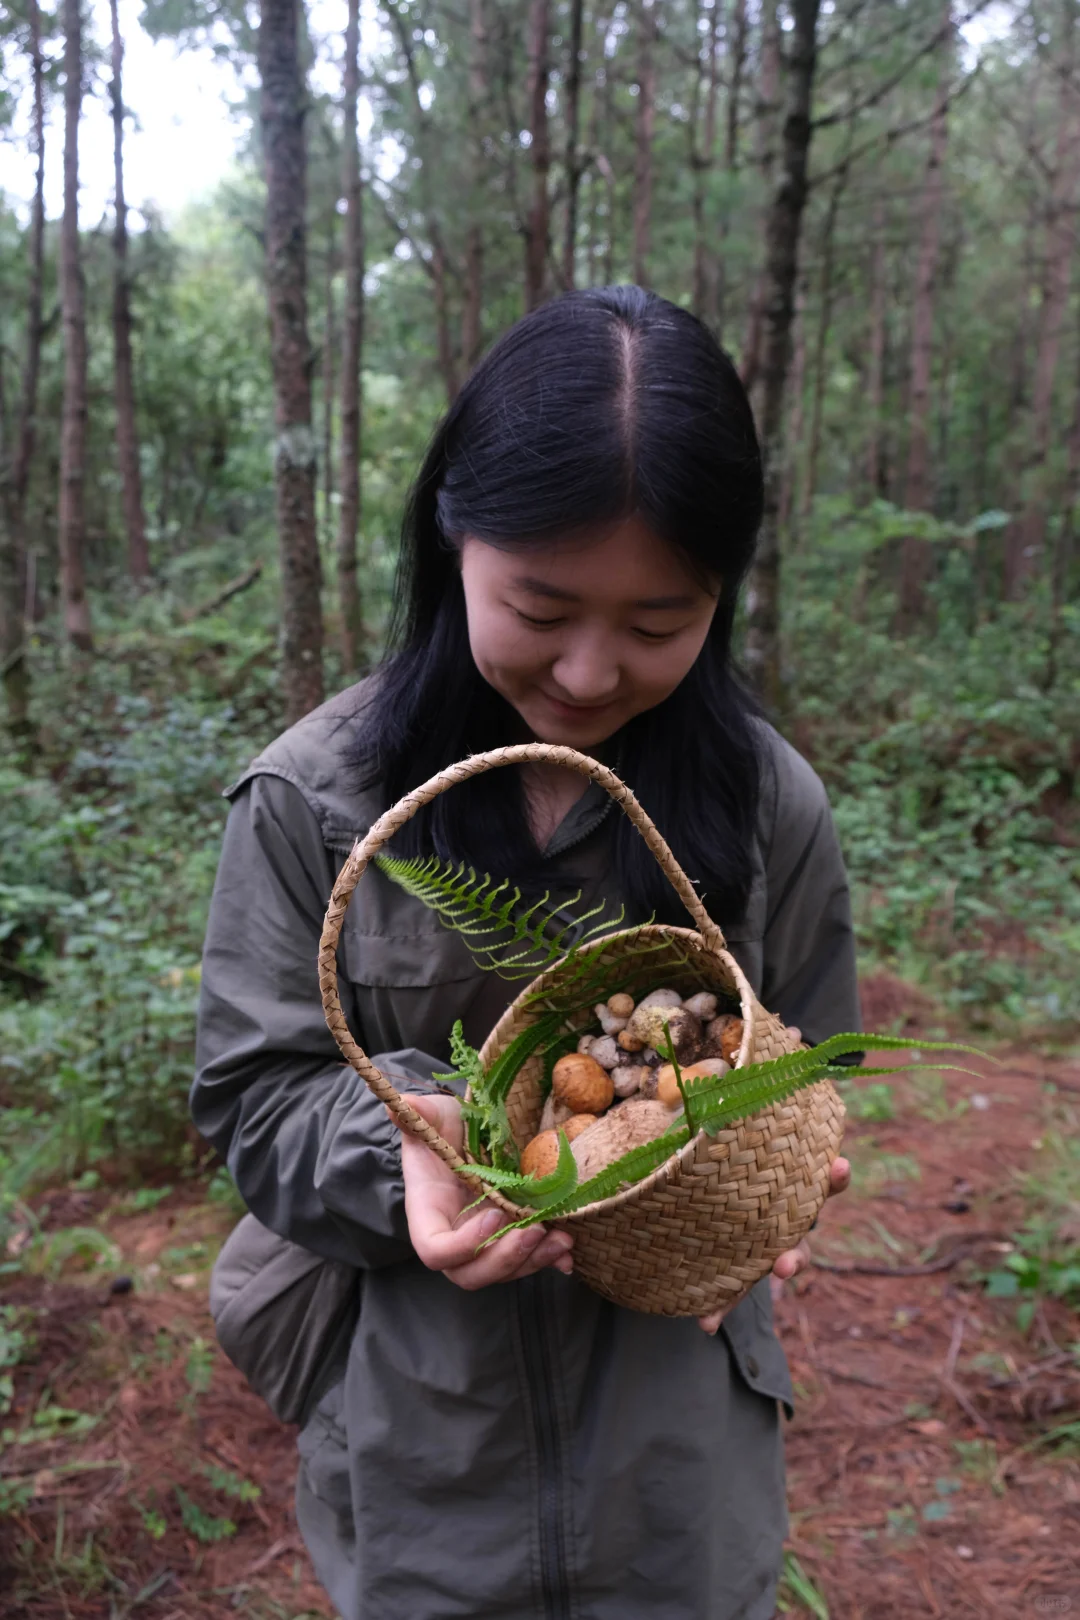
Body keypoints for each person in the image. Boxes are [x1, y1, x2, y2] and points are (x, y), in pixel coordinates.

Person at [192, 285, 858, 1620]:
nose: (593, 671)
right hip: (421, 1423)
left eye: (659, 623)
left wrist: (780, 1174)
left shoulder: (768, 804)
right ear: (453, 539)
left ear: (720, 598)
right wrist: (408, 1153)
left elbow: (809, 1055)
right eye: (541, 608)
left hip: (679, 1437)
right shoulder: (317, 801)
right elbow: (252, 1099)